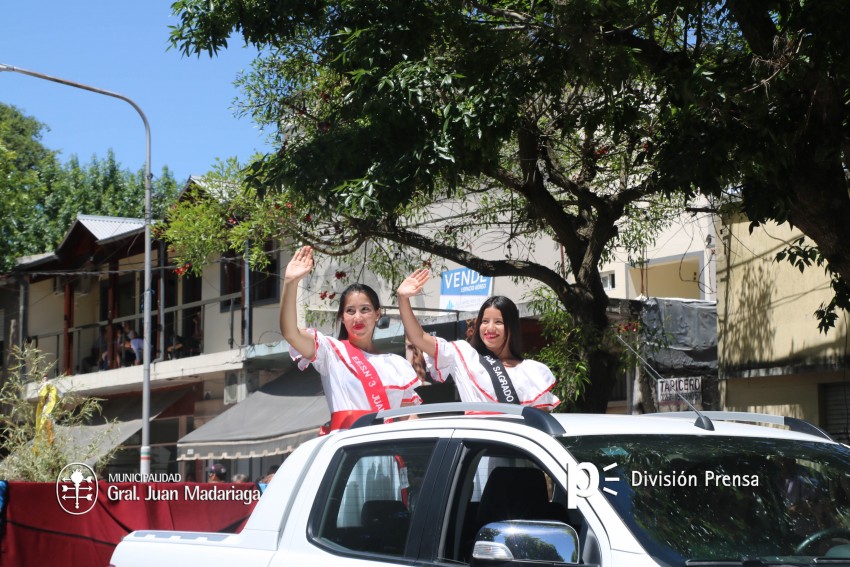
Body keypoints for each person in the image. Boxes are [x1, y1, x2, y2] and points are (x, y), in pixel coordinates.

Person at [280, 246, 422, 433]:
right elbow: (290, 333)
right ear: (342, 317)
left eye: (365, 309)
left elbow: (410, 420)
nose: (358, 317)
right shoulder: (331, 352)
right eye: (350, 311)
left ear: (377, 314)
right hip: (351, 451)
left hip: (389, 455)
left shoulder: (397, 364)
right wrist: (290, 283)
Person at [397, 268, 560, 410]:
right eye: (484, 321)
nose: (490, 329)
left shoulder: (532, 371)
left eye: (498, 322)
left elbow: (540, 425)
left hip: (516, 445)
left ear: (511, 327)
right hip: (478, 444)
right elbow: (419, 337)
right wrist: (403, 299)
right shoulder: (463, 355)